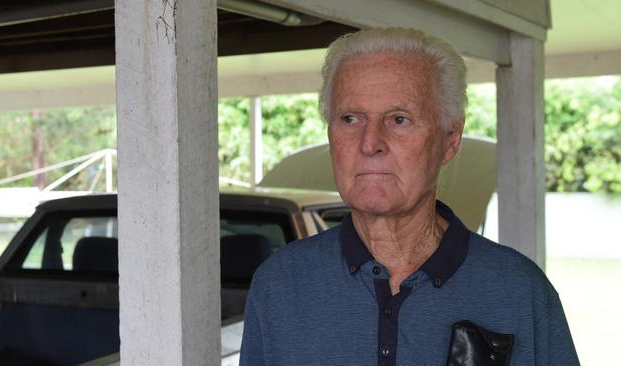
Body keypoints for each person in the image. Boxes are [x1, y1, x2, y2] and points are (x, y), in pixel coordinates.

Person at [240, 27, 579, 366]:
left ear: (450, 138)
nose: (370, 142)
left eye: (399, 119)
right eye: (350, 118)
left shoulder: (520, 292)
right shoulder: (279, 284)